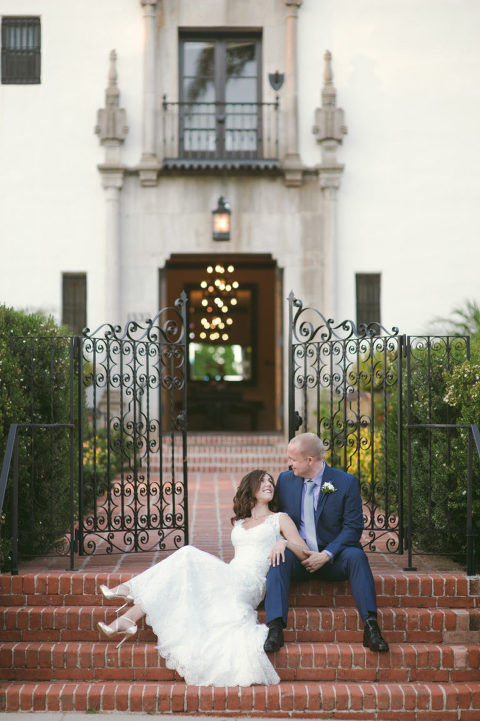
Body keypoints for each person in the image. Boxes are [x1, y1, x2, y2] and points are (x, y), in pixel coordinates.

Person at [96, 469, 311, 687]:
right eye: (263, 480)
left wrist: (283, 543)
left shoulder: (279, 519)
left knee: (187, 555)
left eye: (271, 481)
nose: (269, 484)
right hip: (232, 575)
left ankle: (129, 595)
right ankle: (127, 619)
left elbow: (305, 552)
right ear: (251, 487)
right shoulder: (240, 523)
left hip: (251, 584)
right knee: (182, 572)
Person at [263, 432, 389, 654]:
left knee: (357, 556)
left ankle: (371, 627)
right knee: (278, 559)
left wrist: (328, 554)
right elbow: (274, 516)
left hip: (334, 558)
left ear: (309, 460)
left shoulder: (345, 482)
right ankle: (275, 629)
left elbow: (353, 527)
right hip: (299, 556)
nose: (288, 463)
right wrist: (282, 542)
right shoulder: (285, 480)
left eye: (292, 459)